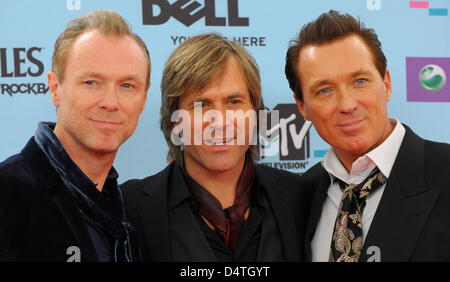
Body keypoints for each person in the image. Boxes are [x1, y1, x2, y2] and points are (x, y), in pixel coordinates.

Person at [122, 34, 311, 262]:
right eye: (202, 105)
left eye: (233, 102)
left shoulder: (300, 197)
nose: (220, 122)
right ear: (175, 120)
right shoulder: (129, 207)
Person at [285, 10, 450, 262]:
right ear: (302, 106)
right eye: (325, 90)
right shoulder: (297, 198)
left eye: (360, 81)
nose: (347, 104)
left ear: (386, 84)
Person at [0, 10, 151, 262]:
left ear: (143, 99)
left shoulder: (129, 208)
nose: (110, 102)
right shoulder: (8, 194)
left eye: (127, 86)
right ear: (55, 88)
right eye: (91, 82)